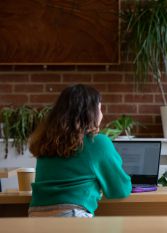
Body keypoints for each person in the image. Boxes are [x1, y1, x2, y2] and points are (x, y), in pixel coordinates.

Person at [28, 84, 132, 217]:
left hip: (35, 216)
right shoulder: (97, 142)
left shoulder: (46, 142)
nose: (101, 115)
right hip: (71, 216)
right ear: (91, 113)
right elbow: (120, 190)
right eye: (100, 109)